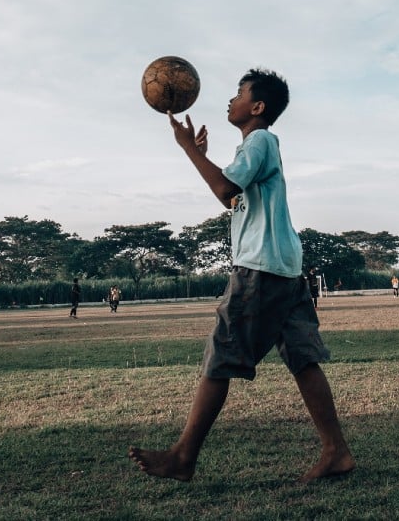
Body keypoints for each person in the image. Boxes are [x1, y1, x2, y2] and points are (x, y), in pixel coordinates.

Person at [128, 68, 354, 484]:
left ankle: (183, 456)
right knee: (302, 359)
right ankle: (336, 451)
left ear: (258, 107)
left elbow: (221, 190)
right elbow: (232, 195)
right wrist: (207, 156)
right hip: (286, 268)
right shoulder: (256, 149)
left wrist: (187, 149)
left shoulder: (261, 141)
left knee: (220, 357)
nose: (230, 100)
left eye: (239, 93)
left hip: (261, 268)